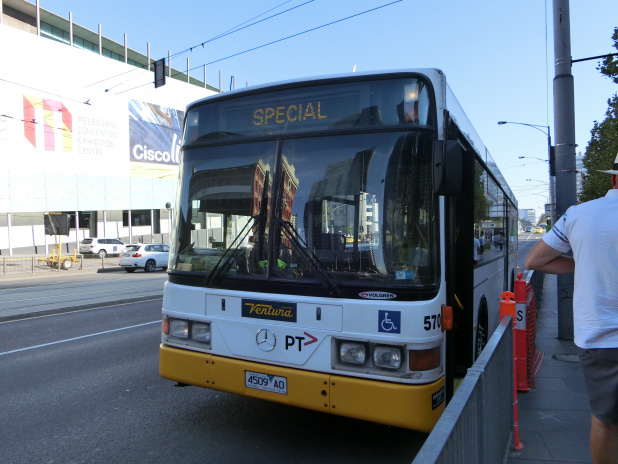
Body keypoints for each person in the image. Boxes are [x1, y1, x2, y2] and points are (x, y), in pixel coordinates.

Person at [525, 153, 618, 464]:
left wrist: (584, 263)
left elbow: (535, 262)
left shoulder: (580, 215)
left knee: (605, 422)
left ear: (613, 179)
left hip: (601, 339)